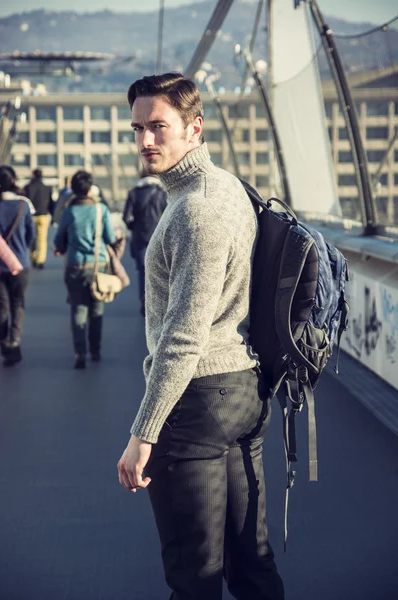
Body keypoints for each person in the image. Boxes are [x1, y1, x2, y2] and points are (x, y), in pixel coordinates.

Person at [117, 73, 284, 600]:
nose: (145, 141)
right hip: (242, 392)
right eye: (137, 128)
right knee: (250, 564)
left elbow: (183, 338)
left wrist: (143, 434)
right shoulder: (226, 187)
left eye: (158, 127)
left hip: (197, 405)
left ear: (195, 128)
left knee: (195, 576)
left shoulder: (196, 209)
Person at [53, 170, 117, 369]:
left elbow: (59, 241)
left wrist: (63, 248)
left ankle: (80, 353)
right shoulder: (101, 210)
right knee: (97, 309)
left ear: (72, 189)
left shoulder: (69, 212)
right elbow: (110, 239)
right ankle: (95, 351)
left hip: (75, 266)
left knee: (78, 310)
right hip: (99, 266)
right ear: (90, 189)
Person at [0, 165, 35, 367]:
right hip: (21, 263)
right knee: (18, 304)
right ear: (14, 182)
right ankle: (14, 341)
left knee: (1, 306)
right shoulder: (23, 206)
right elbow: (31, 236)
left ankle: (4, 347)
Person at [123, 169, 167, 316]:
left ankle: (144, 300)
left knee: (143, 271)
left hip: (140, 238)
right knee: (160, 271)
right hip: (159, 237)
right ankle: (158, 302)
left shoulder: (134, 193)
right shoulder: (163, 192)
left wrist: (134, 227)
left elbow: (126, 218)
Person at [24, 168, 53, 269]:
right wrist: (53, 216)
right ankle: (41, 260)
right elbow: (51, 203)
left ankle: (33, 258)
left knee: (32, 238)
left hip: (31, 216)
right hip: (43, 216)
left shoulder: (28, 187)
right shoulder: (47, 188)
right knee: (42, 239)